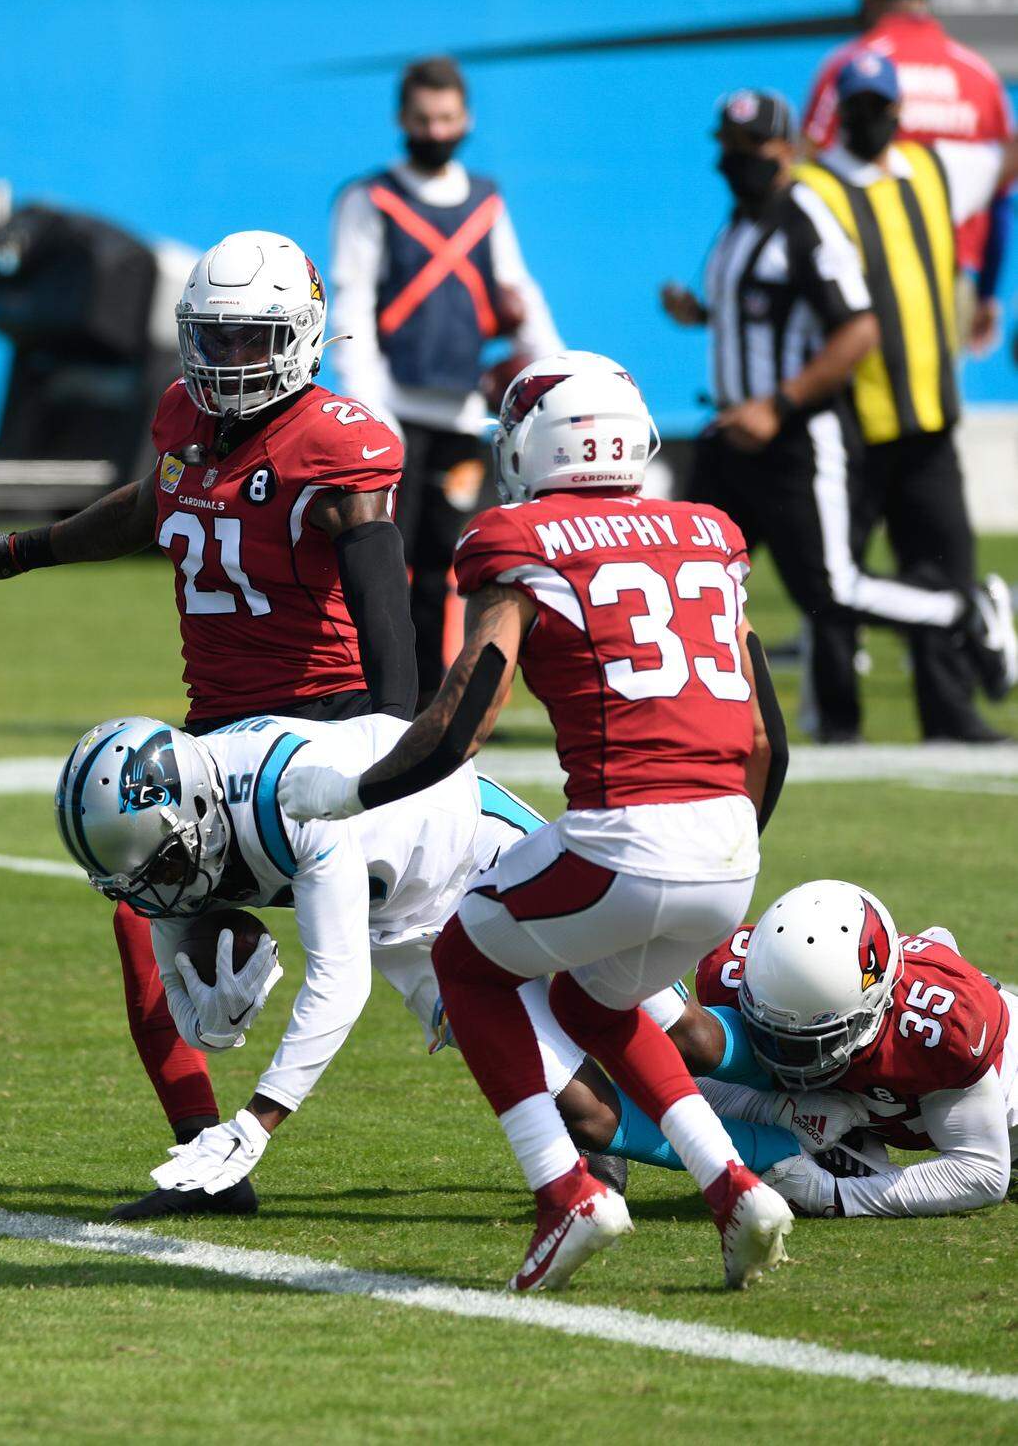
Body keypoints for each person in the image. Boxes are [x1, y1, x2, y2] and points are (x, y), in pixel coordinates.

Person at [0, 230, 418, 1219]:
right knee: (141, 905)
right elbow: (156, 507)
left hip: (314, 733)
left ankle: (630, 1132)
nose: (231, 362)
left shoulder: (336, 440)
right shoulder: (185, 417)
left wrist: (400, 737)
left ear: (302, 336)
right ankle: (201, 1146)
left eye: (253, 339)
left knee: (458, 961)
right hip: (219, 734)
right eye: (216, 339)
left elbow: (384, 601)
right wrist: (15, 552)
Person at [280, 351, 797, 1291]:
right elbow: (767, 735)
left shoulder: (519, 537)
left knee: (463, 961)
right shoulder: (708, 532)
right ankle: (734, 1186)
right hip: (731, 846)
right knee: (587, 1000)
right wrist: (726, 838)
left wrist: (348, 795)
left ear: (531, 443)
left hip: (627, 837)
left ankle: (567, 1192)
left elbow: (464, 717)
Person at [52, 711, 788, 1205]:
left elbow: (340, 984)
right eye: (145, 878)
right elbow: (196, 1019)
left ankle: (830, 1080)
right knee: (588, 1115)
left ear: (197, 814)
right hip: (403, 929)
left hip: (480, 851)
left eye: (169, 866)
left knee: (671, 1025)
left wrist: (254, 1125)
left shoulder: (286, 796)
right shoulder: (169, 847)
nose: (164, 891)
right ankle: (785, 1162)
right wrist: (220, 1020)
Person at [661, 89, 1014, 743]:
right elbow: (758, 315)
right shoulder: (738, 224)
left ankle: (963, 610)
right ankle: (694, 726)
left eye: (753, 150)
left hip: (795, 437)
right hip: (731, 438)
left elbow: (857, 331)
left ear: (787, 151)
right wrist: (699, 314)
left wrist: (780, 403)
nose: (738, 162)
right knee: (691, 577)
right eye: (730, 149)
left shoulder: (805, 219)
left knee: (833, 591)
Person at [795, 53, 1018, 741]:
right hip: (847, 419)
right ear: (841, 111)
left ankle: (949, 712)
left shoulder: (933, 168)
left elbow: (1004, 160)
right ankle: (838, 719)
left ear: (898, 110)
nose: (871, 118)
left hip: (926, 415)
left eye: (879, 105)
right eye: (857, 106)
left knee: (945, 563)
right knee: (836, 578)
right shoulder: (814, 186)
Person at [329, 54, 562, 706]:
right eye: (424, 118)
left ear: (467, 119)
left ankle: (435, 698)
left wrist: (557, 373)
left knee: (447, 562)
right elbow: (350, 303)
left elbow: (520, 293)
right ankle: (372, 693)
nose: (436, 130)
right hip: (393, 409)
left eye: (448, 118)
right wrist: (369, 408)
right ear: (402, 119)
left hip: (461, 410)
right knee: (382, 560)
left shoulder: (486, 201)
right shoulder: (369, 199)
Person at [691, 880, 1017, 1219]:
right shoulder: (731, 971)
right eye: (774, 1035)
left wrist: (833, 1195)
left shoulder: (938, 1030)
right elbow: (687, 1087)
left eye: (824, 1038)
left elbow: (982, 1172)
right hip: (881, 1109)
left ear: (879, 1003)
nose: (789, 1059)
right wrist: (779, 1109)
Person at [803, 0, 1014, 355]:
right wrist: (987, 293)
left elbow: (803, 173)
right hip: (948, 276)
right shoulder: (978, 73)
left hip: (857, 273)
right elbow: (1003, 201)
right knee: (931, 396)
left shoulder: (850, 63)